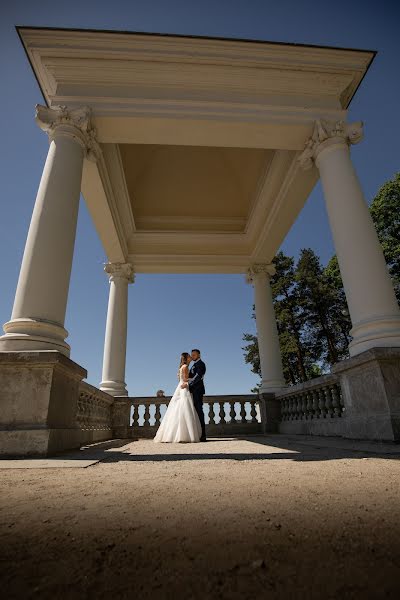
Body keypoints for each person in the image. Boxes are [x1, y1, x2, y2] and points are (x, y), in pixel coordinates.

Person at [154, 352, 202, 443]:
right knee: (185, 409)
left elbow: (181, 379)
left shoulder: (181, 367)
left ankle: (175, 434)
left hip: (180, 387)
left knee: (178, 409)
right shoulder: (185, 367)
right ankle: (184, 434)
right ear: (186, 358)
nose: (191, 357)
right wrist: (196, 379)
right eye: (189, 356)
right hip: (184, 388)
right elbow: (185, 379)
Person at [187, 349, 207, 442]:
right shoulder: (194, 365)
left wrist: (188, 384)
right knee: (194, 412)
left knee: (199, 411)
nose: (193, 356)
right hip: (192, 391)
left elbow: (198, 376)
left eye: (194, 355)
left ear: (199, 355)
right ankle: (197, 433)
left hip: (198, 391)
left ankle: (203, 434)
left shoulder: (201, 364)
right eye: (192, 355)